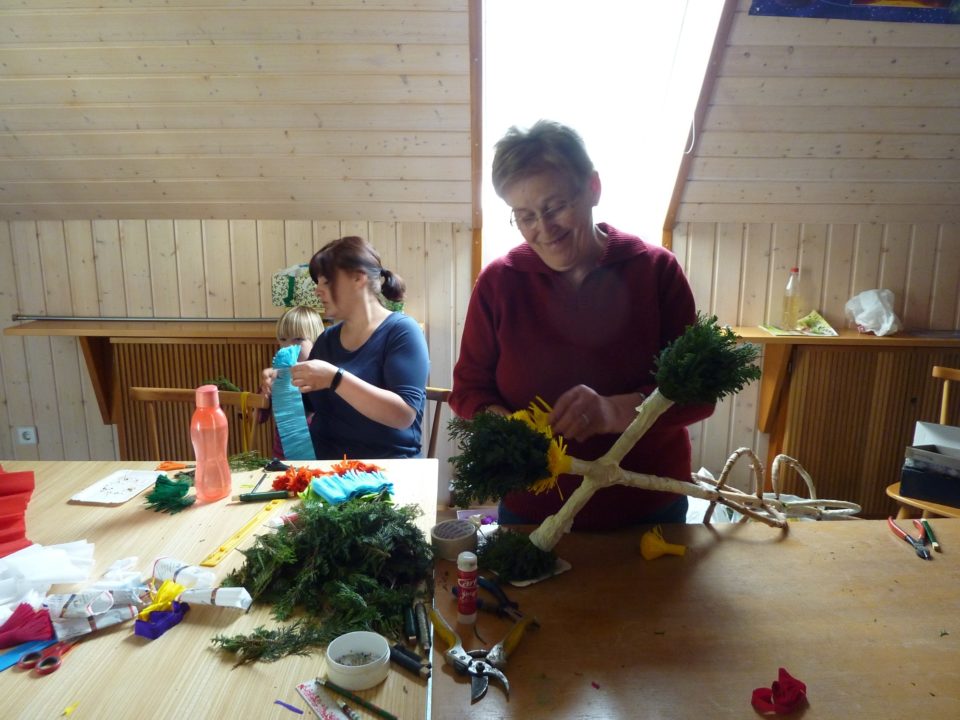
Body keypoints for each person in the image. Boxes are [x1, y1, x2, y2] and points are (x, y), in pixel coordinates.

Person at [449, 120, 714, 529]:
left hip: (647, 505)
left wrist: (612, 411)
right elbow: (468, 390)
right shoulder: (499, 282)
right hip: (533, 509)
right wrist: (510, 431)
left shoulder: (655, 271)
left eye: (555, 207)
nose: (543, 229)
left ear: (592, 188)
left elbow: (699, 396)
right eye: (524, 216)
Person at [263, 236, 429, 459]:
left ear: (358, 278)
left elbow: (403, 415)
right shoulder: (327, 339)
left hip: (387, 469)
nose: (317, 290)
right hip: (324, 469)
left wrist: (336, 379)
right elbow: (307, 406)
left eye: (326, 282)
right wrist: (281, 385)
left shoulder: (402, 332)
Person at [257, 305, 325, 459]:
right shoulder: (277, 377)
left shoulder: (324, 377)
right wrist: (265, 390)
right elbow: (258, 417)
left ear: (317, 341)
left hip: (322, 458)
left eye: (298, 339)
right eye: (283, 339)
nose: (288, 346)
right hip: (284, 459)